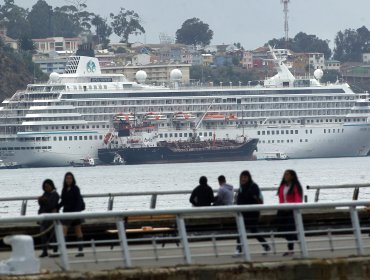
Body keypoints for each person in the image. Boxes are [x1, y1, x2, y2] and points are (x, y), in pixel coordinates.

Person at [235, 170, 270, 255]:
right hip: (243, 213)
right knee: (243, 230)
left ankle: (239, 249)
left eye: (245, 177)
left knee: (251, 230)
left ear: (249, 177)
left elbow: (256, 198)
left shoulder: (253, 186)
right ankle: (239, 249)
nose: (243, 179)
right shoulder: (241, 188)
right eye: (242, 177)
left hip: (253, 213)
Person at [276, 169, 303, 256]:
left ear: (292, 176)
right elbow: (281, 199)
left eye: (287, 175)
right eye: (285, 174)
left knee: (289, 229)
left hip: (292, 211)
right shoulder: (282, 186)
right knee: (281, 229)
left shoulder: (295, 186)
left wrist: (293, 208)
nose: (285, 176)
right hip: (282, 210)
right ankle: (296, 238)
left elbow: (298, 199)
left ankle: (290, 249)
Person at [59, 172, 85, 257]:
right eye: (67, 178)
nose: (68, 180)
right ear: (65, 179)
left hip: (75, 212)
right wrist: (57, 207)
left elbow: (78, 201)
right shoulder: (64, 189)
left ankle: (80, 251)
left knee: (78, 231)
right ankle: (64, 250)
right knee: (64, 230)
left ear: (73, 179)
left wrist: (76, 212)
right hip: (67, 212)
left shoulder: (76, 188)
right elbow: (63, 201)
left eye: (70, 178)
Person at [38, 179, 59, 258]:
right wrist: (40, 200)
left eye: (47, 186)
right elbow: (42, 205)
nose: (46, 188)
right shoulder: (45, 194)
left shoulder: (55, 194)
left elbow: (51, 205)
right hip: (44, 216)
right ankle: (44, 251)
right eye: (45, 187)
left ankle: (55, 250)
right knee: (43, 235)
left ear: (51, 186)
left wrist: (44, 200)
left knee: (53, 235)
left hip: (51, 217)